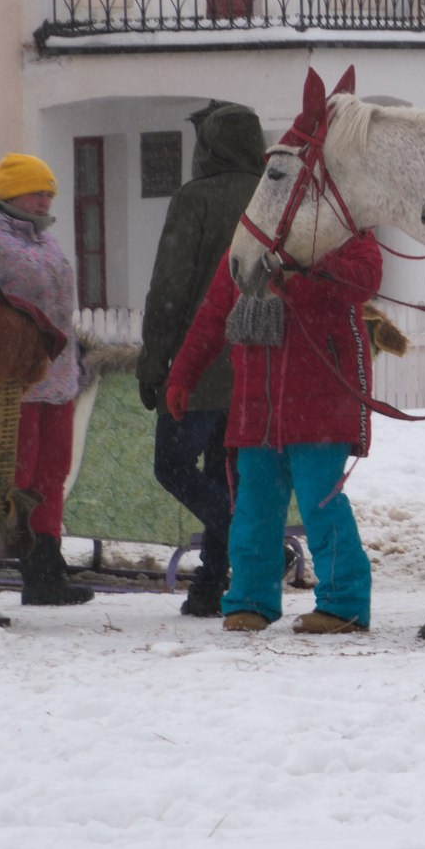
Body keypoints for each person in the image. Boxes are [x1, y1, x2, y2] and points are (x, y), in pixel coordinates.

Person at [166, 232, 383, 634]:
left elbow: (365, 278)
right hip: (256, 406)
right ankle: (250, 600)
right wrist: (184, 371)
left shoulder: (340, 226)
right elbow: (215, 312)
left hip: (321, 400)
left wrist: (305, 272)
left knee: (322, 504)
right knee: (253, 509)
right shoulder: (246, 239)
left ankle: (344, 604)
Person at [137, 102, 266, 618]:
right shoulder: (272, 195)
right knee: (223, 471)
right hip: (257, 361)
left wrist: (155, 362)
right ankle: (211, 585)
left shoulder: (196, 199)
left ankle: (246, 540)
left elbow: (171, 287)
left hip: (202, 361)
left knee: (172, 466)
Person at [0, 153, 90, 605]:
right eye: (36, 191)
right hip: (12, 380)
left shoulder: (44, 239)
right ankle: (17, 558)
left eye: (48, 192)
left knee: (53, 471)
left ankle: (46, 567)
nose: (44, 198)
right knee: (17, 473)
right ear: (9, 193)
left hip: (59, 374)